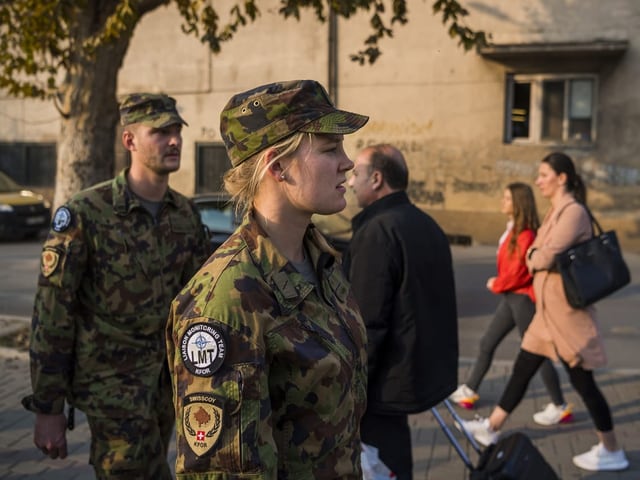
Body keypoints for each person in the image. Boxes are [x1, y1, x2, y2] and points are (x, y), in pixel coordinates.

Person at [166, 79, 370, 479]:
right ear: (277, 166)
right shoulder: (225, 300)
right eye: (330, 149)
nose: (348, 163)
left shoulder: (323, 262)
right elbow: (227, 470)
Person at [21, 93, 210, 478]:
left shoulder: (186, 214)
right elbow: (53, 316)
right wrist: (48, 408)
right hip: (112, 384)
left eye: (176, 131)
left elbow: (198, 305)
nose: (173, 140)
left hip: (167, 382)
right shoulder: (86, 213)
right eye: (160, 132)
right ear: (130, 141)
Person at [459, 152, 629, 472]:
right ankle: (491, 427)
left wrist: (535, 255)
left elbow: (542, 257)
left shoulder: (573, 212)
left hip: (566, 315)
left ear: (562, 178)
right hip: (546, 314)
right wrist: (536, 254)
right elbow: (537, 251)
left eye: (544, 174)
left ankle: (612, 449)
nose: (538, 180)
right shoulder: (557, 211)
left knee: (584, 384)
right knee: (523, 368)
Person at [344, 144, 458, 480]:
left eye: (356, 174)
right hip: (413, 374)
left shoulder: (378, 231)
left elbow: (368, 323)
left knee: (384, 465)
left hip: (383, 384)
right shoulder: (424, 222)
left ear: (377, 179)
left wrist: (352, 390)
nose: (350, 183)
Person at [450, 182, 573, 426]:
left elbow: (519, 272)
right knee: (487, 342)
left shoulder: (526, 234)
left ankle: (559, 406)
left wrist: (497, 283)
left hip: (522, 298)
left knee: (538, 352)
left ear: (518, 203)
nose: (502, 202)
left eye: (507, 199)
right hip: (512, 297)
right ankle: (470, 390)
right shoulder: (514, 230)